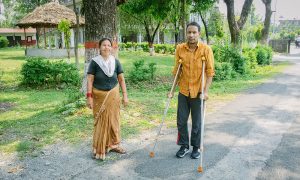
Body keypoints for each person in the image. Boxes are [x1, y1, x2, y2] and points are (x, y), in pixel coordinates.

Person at [170, 22, 215, 159]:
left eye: (194, 32)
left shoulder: (206, 50)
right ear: (186, 33)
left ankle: (196, 147)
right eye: (189, 32)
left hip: (199, 92)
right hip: (183, 90)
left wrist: (205, 91)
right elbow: (177, 71)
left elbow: (210, 72)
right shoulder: (180, 49)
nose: (191, 35)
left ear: (199, 34)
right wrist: (172, 89)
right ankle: (184, 146)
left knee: (197, 122)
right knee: (181, 121)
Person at [86, 37, 129, 160]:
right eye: (104, 45)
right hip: (99, 97)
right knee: (100, 121)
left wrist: (125, 95)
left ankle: (115, 144)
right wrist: (89, 97)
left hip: (114, 95)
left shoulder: (116, 62)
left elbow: (121, 79)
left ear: (112, 47)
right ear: (99, 47)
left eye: (109, 45)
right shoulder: (95, 62)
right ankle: (100, 146)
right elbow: (90, 80)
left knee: (114, 120)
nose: (106, 47)